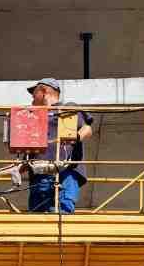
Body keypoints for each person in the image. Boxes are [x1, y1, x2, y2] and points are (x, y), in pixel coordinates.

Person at [21, 78, 94, 213]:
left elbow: (87, 129)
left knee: (61, 213)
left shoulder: (67, 109)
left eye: (34, 92)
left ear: (43, 91)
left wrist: (75, 137)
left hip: (65, 172)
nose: (31, 96)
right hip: (39, 175)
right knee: (37, 219)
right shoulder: (33, 116)